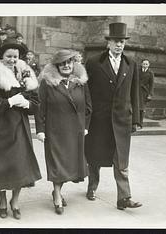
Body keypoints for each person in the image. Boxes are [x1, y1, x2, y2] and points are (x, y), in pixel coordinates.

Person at [0, 38, 42, 220]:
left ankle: (14, 201)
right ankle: (2, 199)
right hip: (1, 125)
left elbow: (36, 103)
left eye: (15, 56)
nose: (12, 60)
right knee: (1, 165)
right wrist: (8, 102)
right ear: (2, 56)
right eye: (9, 56)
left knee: (19, 165)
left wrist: (26, 103)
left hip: (20, 126)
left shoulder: (25, 73)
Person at [85, 22, 142, 210]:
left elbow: (135, 94)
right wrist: (86, 118)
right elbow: (87, 92)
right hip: (99, 120)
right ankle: (92, 187)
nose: (119, 45)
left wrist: (136, 120)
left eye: (122, 42)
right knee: (95, 156)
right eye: (116, 41)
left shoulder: (131, 63)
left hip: (122, 120)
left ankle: (124, 198)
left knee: (121, 160)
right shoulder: (94, 62)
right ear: (108, 43)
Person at [36, 49, 92, 215]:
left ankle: (57, 191)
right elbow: (40, 108)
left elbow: (89, 106)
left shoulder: (81, 82)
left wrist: (86, 126)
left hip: (75, 131)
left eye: (69, 62)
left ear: (74, 64)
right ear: (57, 66)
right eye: (62, 63)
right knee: (57, 165)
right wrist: (40, 130)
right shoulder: (48, 83)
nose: (66, 66)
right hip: (55, 131)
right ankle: (58, 196)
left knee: (70, 165)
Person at [139, 59, 154, 127]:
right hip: (137, 91)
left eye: (146, 64)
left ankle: (140, 123)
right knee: (136, 107)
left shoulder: (150, 73)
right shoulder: (137, 71)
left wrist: (150, 94)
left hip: (144, 92)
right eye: (144, 64)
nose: (145, 65)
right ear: (141, 64)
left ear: (149, 65)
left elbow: (151, 84)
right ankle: (135, 123)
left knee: (142, 108)